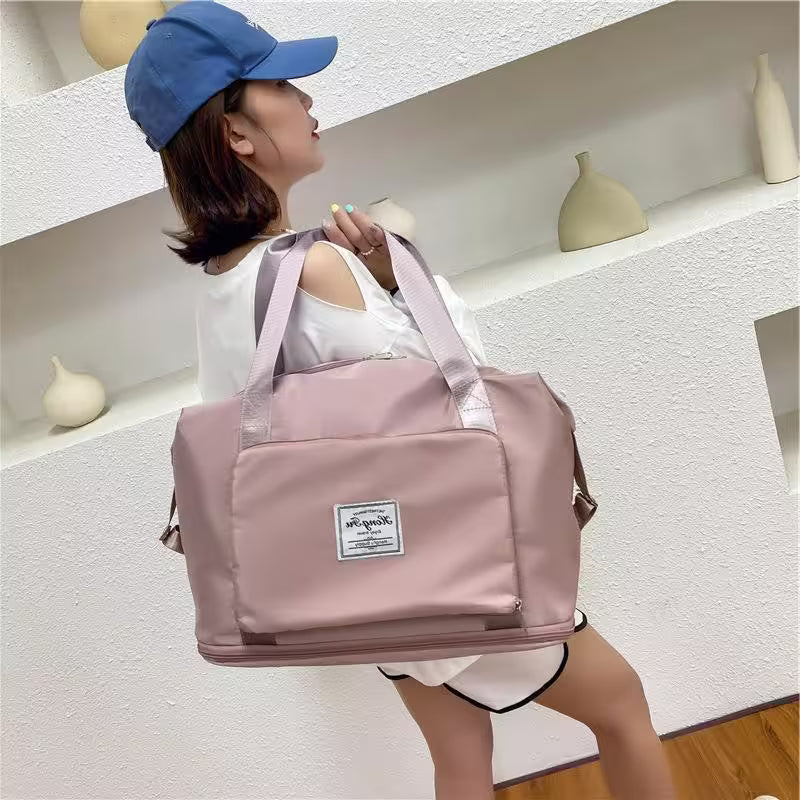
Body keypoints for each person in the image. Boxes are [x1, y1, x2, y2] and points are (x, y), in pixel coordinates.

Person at [124, 3, 676, 798]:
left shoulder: (226, 284)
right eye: (285, 87)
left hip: (365, 587)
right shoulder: (316, 267)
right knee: (620, 704)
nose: (309, 104)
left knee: (459, 762)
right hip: (451, 566)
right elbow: (463, 387)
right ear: (238, 134)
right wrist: (391, 277)